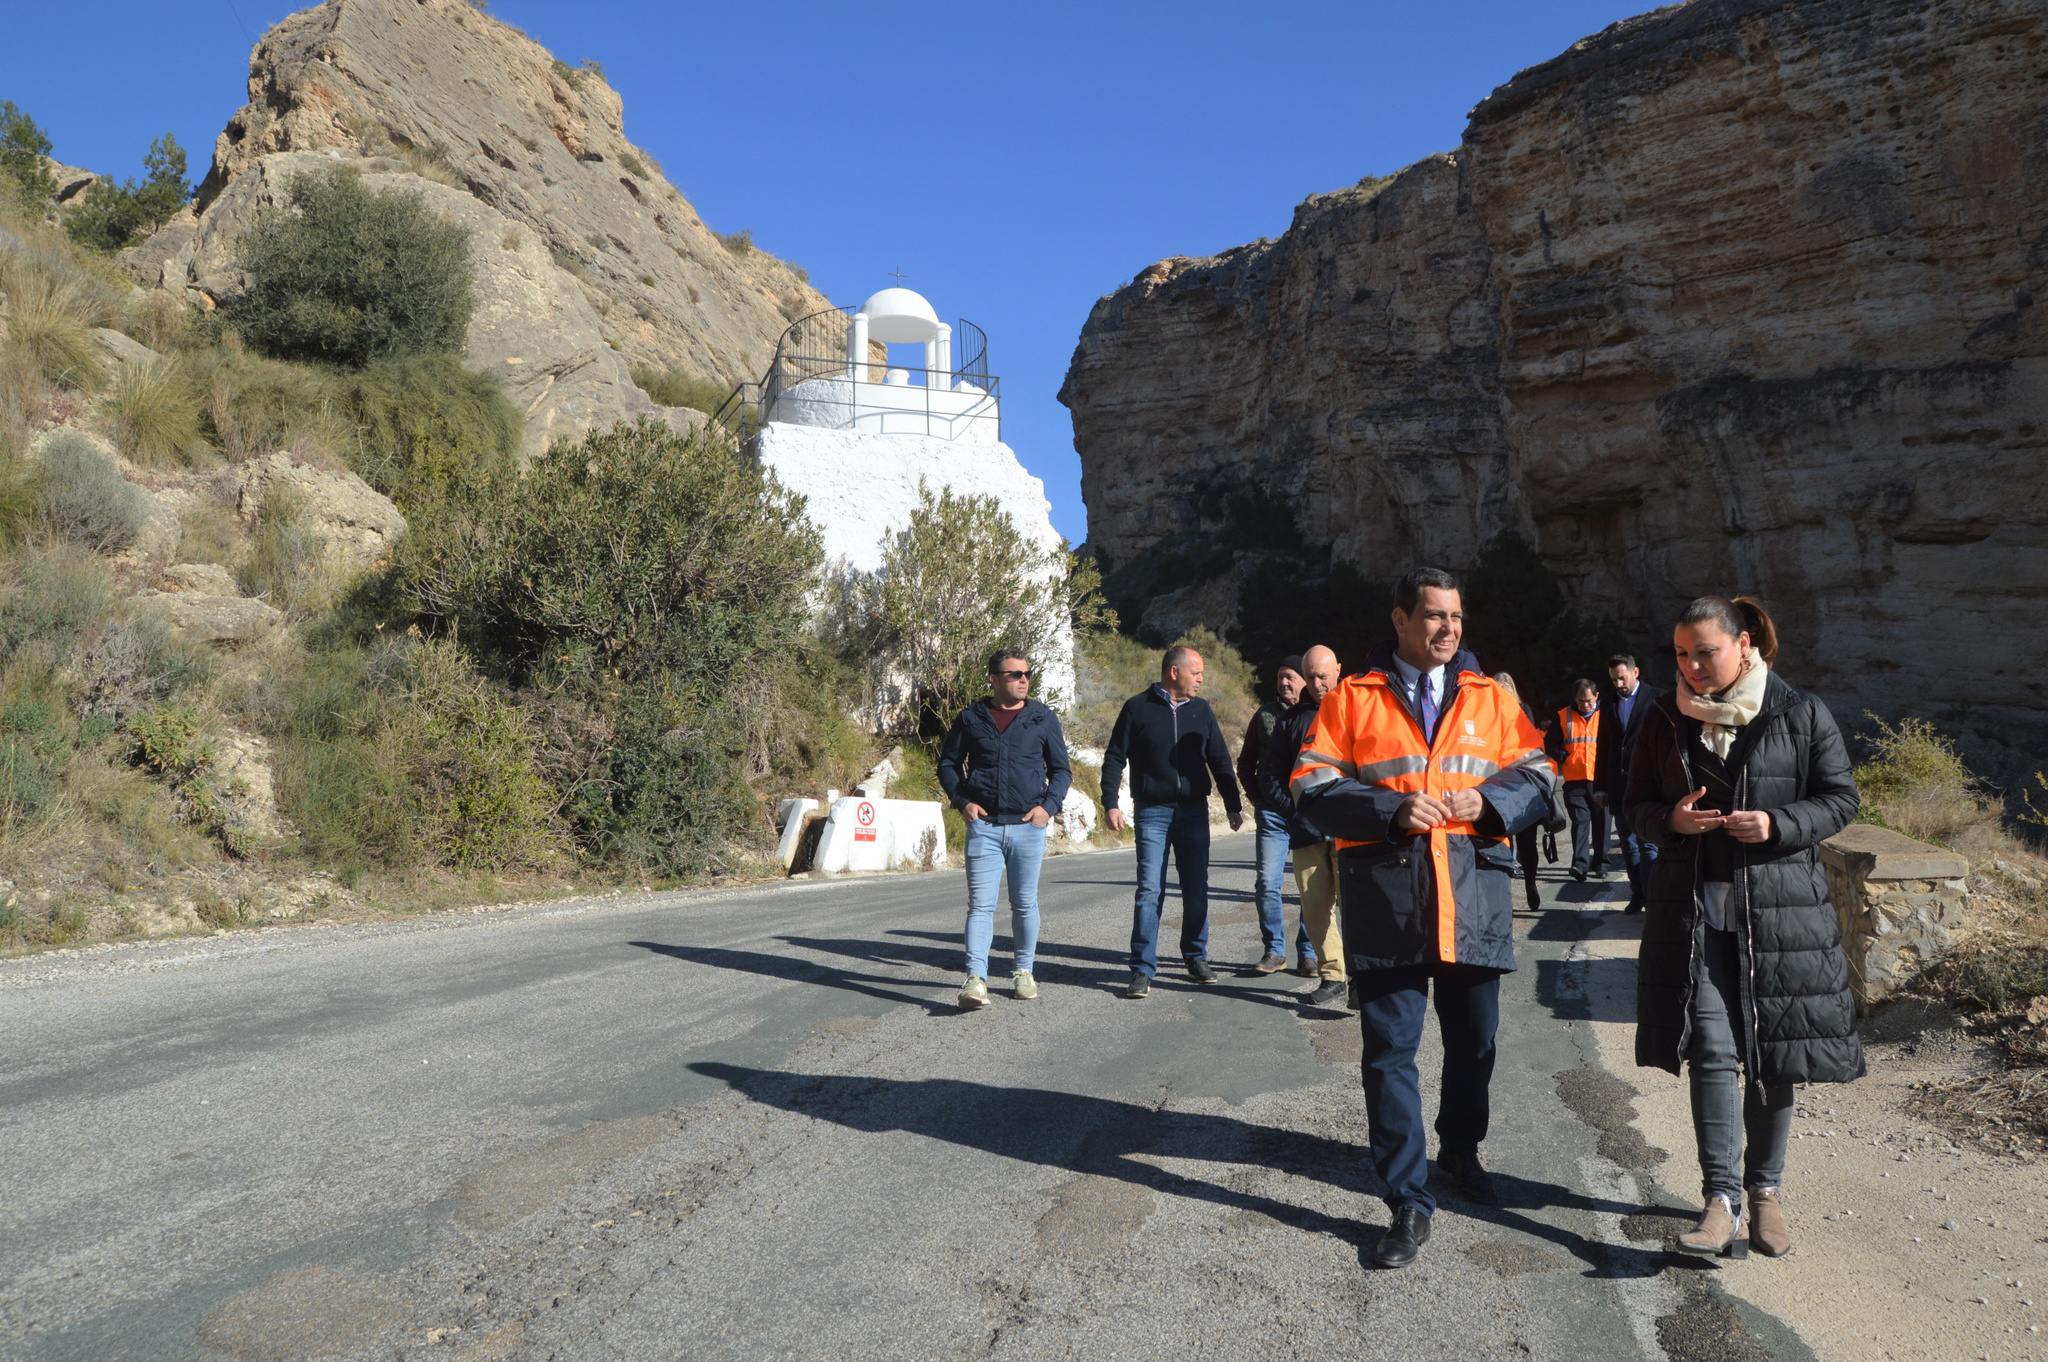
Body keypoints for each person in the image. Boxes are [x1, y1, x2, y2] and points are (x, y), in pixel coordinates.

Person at [1292, 568, 1550, 1269]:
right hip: (1390, 906)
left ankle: (1461, 1149)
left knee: (1476, 1047)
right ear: (1401, 620)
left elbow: (1541, 773)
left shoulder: (1493, 698)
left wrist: (1490, 803)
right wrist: (1389, 810)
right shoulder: (1352, 698)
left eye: (1457, 617)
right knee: (1389, 1059)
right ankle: (1407, 1198)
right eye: (1434, 616)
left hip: (1474, 902)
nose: (1449, 629)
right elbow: (1310, 784)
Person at [1625, 596, 1862, 1260]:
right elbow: (1633, 803)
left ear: (1746, 643)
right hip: (1694, 914)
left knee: (1774, 1058)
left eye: (1705, 651)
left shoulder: (1800, 711)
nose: (1693, 666)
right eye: (1681, 654)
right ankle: (1720, 1200)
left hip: (1781, 915)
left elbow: (1841, 798)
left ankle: (1766, 1191)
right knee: (1711, 1050)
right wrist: (1670, 820)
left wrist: (1778, 825)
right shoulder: (1661, 717)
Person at [1103, 645, 1244, 998]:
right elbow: (1114, 758)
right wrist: (1111, 803)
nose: (1201, 679)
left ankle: (1196, 957)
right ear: (1175, 672)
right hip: (1152, 811)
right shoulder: (1137, 708)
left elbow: (1220, 759)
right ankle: (1141, 969)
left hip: (1194, 811)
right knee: (1150, 889)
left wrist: (1232, 803)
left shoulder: (1202, 710)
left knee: (1196, 888)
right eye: (1197, 672)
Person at [937, 649, 1073, 1011]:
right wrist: (962, 801)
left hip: (1028, 828)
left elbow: (1062, 770)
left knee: (1024, 904)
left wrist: (1048, 808)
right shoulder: (970, 718)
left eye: (1026, 674)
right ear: (994, 680)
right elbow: (948, 765)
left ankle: (1023, 971)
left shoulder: (1043, 718)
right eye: (1014, 674)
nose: (1023, 680)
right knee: (980, 906)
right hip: (984, 827)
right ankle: (975, 980)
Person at [1258, 645, 1347, 1005]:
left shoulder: (1357, 710)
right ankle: (1332, 976)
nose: (1316, 683)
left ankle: (1362, 976)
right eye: (1310, 676)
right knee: (1315, 908)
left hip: (1349, 831)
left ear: (1338, 670)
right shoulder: (1290, 720)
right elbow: (1270, 775)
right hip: (1306, 832)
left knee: (1356, 908)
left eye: (1323, 675)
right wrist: (1295, 811)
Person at [1239, 655, 1308, 974]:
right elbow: (1246, 763)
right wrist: (1258, 799)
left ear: (1305, 680)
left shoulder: (1319, 713)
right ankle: (1274, 951)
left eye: (1291, 677)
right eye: (1281, 677)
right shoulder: (1264, 715)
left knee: (1314, 885)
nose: (1284, 683)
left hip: (1311, 812)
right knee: (1267, 882)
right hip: (1272, 815)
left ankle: (1309, 951)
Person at [1595, 653, 1665, 914]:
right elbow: (1604, 746)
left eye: (1622, 677)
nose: (1618, 684)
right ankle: (1638, 895)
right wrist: (1600, 786)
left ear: (1636, 673)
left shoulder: (1657, 698)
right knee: (1629, 844)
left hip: (1650, 784)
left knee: (1649, 844)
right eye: (1614, 679)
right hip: (1619, 786)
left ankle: (1652, 896)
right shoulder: (1608, 703)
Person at [1491, 672, 1545, 912]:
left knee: (1525, 841)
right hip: (1502, 784)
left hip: (1516, 782)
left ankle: (1530, 882)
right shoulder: (1488, 712)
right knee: (1510, 840)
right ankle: (1513, 882)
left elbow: (1532, 746)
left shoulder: (1519, 711)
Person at [1548, 679, 1607, 881]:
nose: (1585, 705)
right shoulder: (1563, 716)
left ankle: (1600, 864)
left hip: (1601, 778)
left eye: (1589, 700)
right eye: (1581, 701)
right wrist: (1563, 757)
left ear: (1596, 696)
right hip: (1574, 779)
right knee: (1581, 821)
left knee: (1602, 822)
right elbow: (1550, 743)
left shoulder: (1606, 714)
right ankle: (1580, 865)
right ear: (1575, 698)